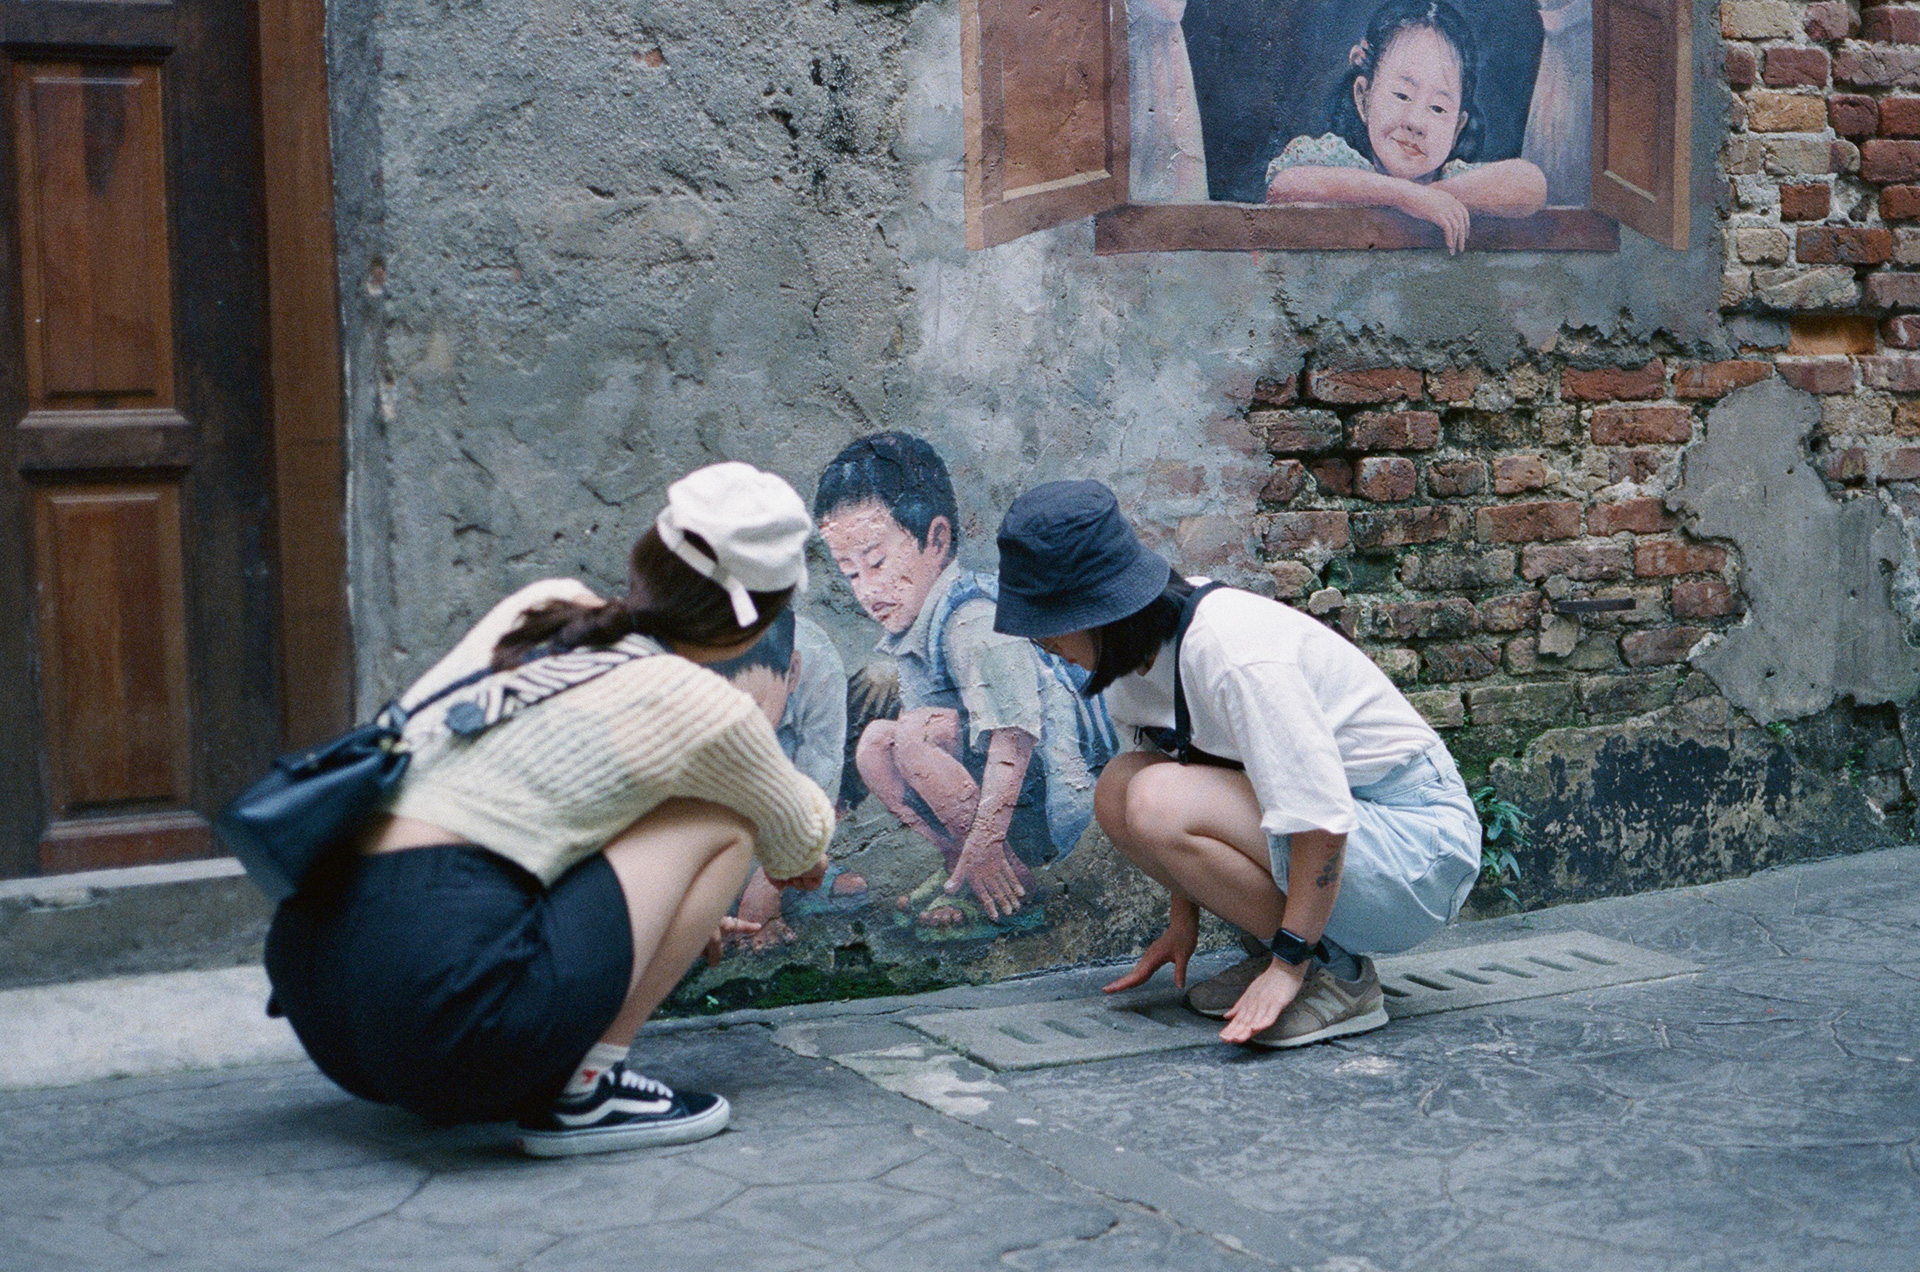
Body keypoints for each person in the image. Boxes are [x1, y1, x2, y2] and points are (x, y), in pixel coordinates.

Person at [263, 463, 836, 1156]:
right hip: (444, 1016)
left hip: (322, 990)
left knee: (605, 811)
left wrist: (660, 910)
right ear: (758, 621)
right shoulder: (704, 705)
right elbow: (801, 842)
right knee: (724, 818)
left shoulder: (541, 608)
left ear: (647, 553)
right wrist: (771, 862)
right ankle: (589, 1093)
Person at [991, 481, 1482, 1047]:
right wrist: (1184, 924)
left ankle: (1338, 979)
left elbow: (1320, 818)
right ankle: (1296, 952)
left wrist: (1288, 966)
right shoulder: (1134, 657)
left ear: (1101, 611)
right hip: (1348, 836)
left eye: (1048, 621)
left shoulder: (1232, 653)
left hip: (1417, 844)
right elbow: (1184, 770)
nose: (1041, 641)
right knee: (1120, 787)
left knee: (1154, 798)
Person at [813, 433, 1116, 929]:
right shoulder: (914, 628)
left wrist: (986, 840)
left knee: (913, 734)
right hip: (1000, 795)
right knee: (874, 743)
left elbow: (1014, 740)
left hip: (1048, 798)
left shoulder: (972, 620)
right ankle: (970, 874)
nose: (867, 591)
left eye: (877, 562)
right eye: (850, 574)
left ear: (936, 539)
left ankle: (1001, 877)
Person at [1263, 0, 1546, 253]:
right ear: (1364, 98)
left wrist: (1432, 196)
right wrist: (1403, 196)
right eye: (1401, 95)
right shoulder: (1340, 163)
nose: (1415, 122)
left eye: (1438, 108)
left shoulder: (1453, 178)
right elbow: (1283, 187)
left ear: (1457, 127)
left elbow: (1530, 184)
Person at [710, 609, 867, 951]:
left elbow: (818, 782)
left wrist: (767, 887)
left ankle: (796, 871)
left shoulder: (817, 665)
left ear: (792, 672)